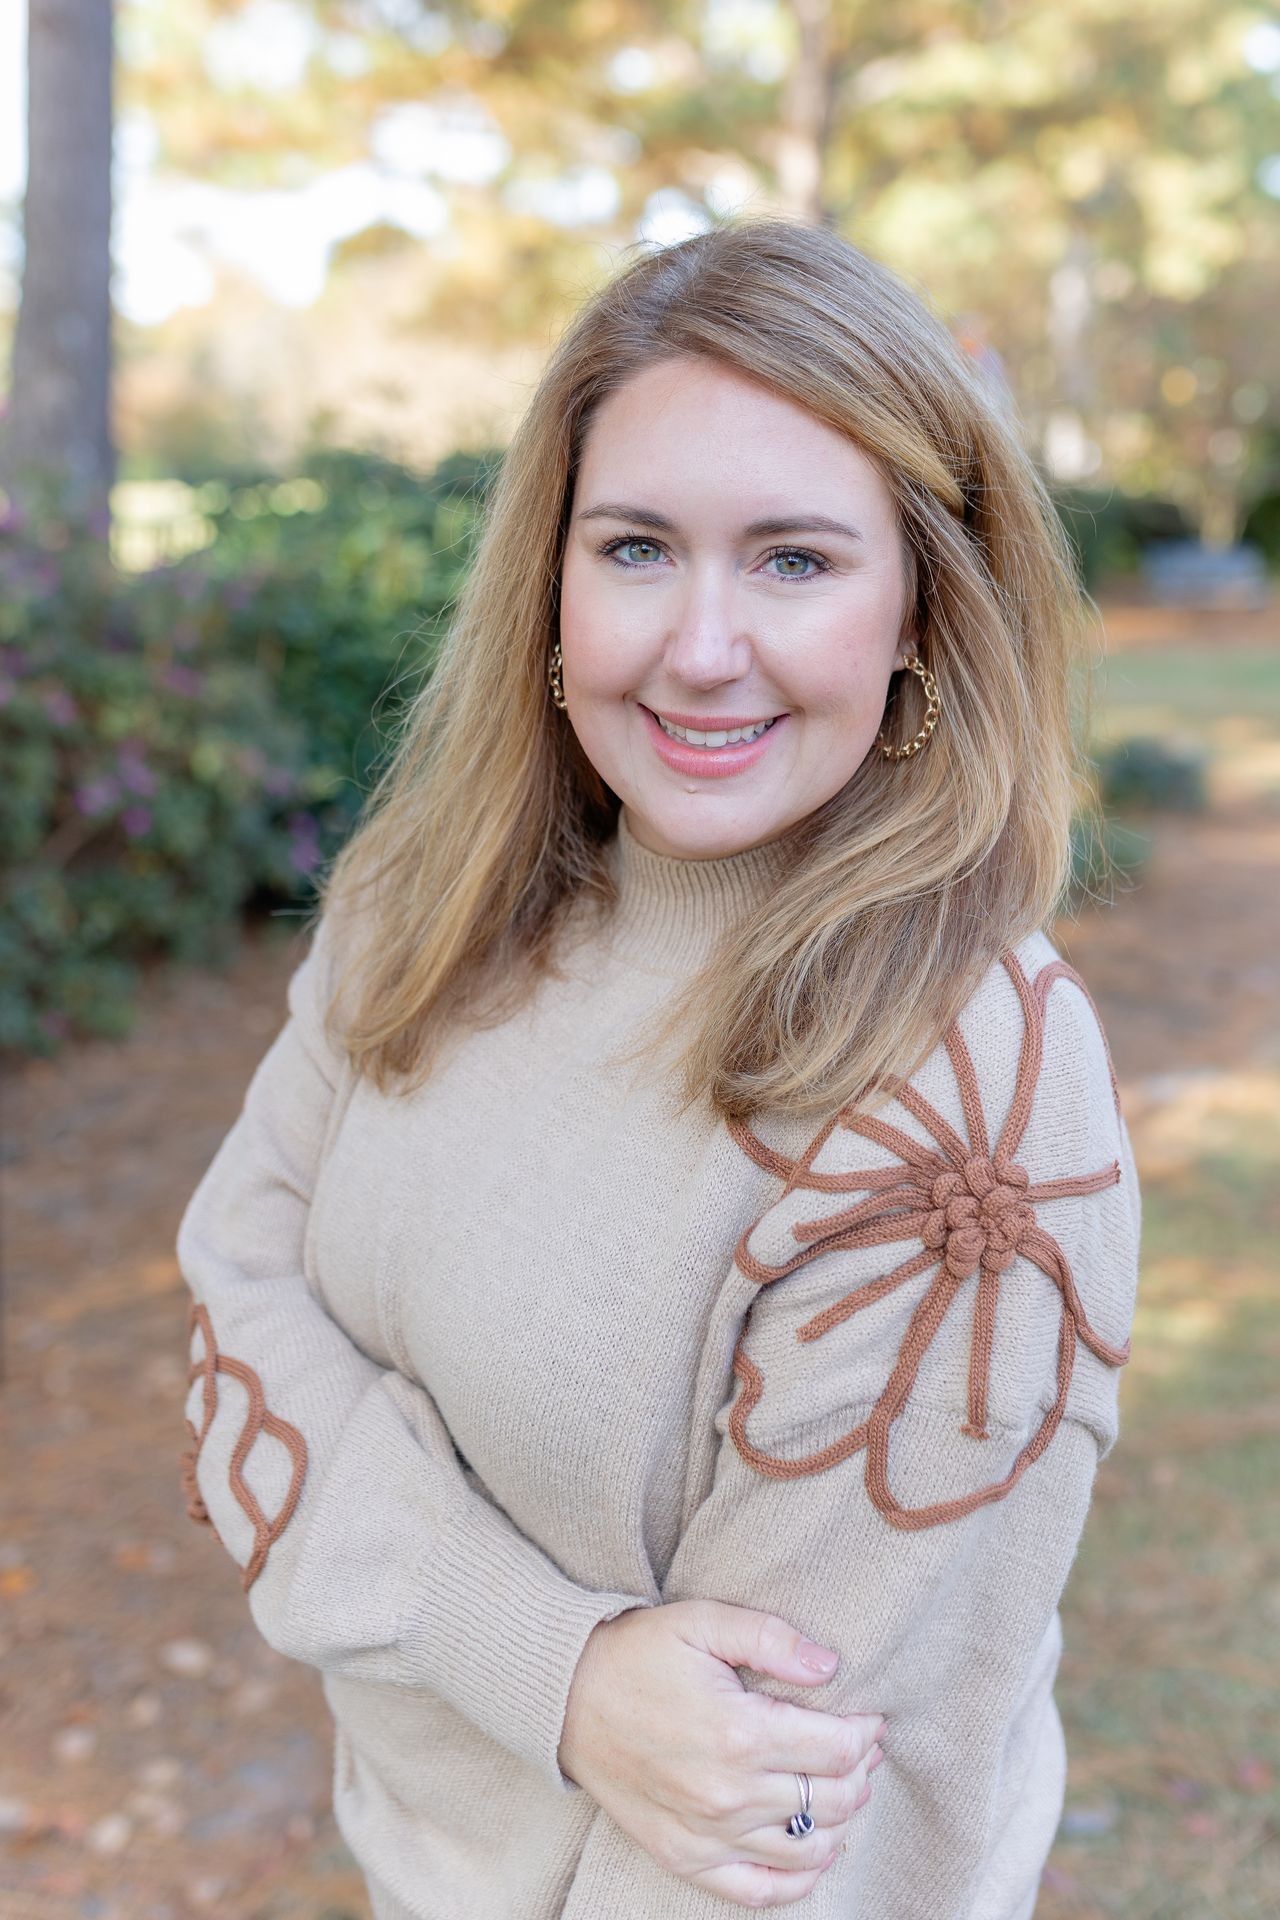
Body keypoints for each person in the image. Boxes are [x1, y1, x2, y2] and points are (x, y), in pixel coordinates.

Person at [175, 216, 1141, 1920]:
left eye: (792, 561)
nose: (700, 647)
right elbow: (233, 1306)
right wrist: (558, 1669)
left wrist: (418, 1570)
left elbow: (767, 1824)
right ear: (548, 579)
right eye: (636, 548)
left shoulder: (970, 1101)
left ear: (923, 606)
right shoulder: (426, 900)